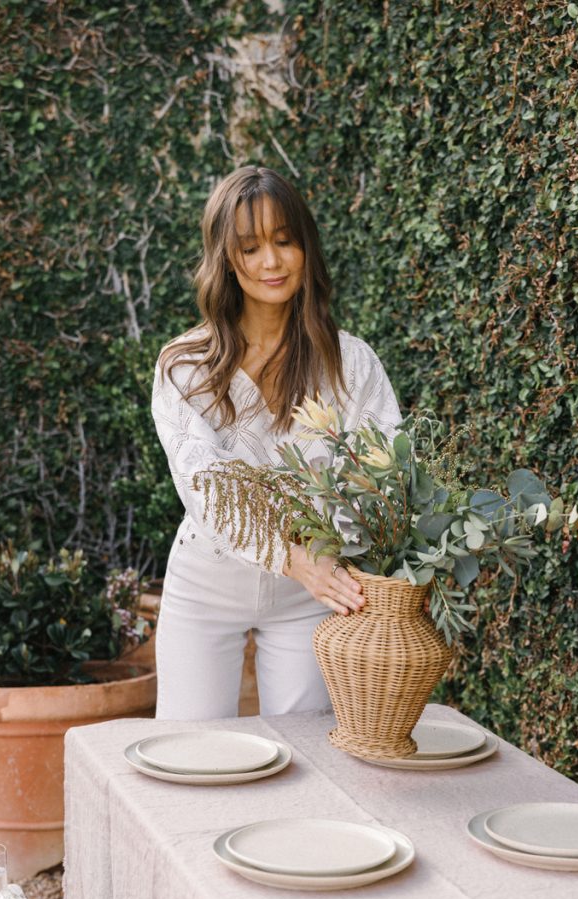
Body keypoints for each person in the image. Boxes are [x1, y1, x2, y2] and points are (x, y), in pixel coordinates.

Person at [151, 166, 401, 720]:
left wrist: (333, 554)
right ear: (225, 257)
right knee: (190, 756)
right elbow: (205, 487)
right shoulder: (184, 367)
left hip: (311, 594)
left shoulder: (350, 362)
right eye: (251, 246)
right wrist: (295, 558)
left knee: (308, 761)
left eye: (284, 242)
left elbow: (385, 475)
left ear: (305, 246)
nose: (271, 262)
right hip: (206, 582)